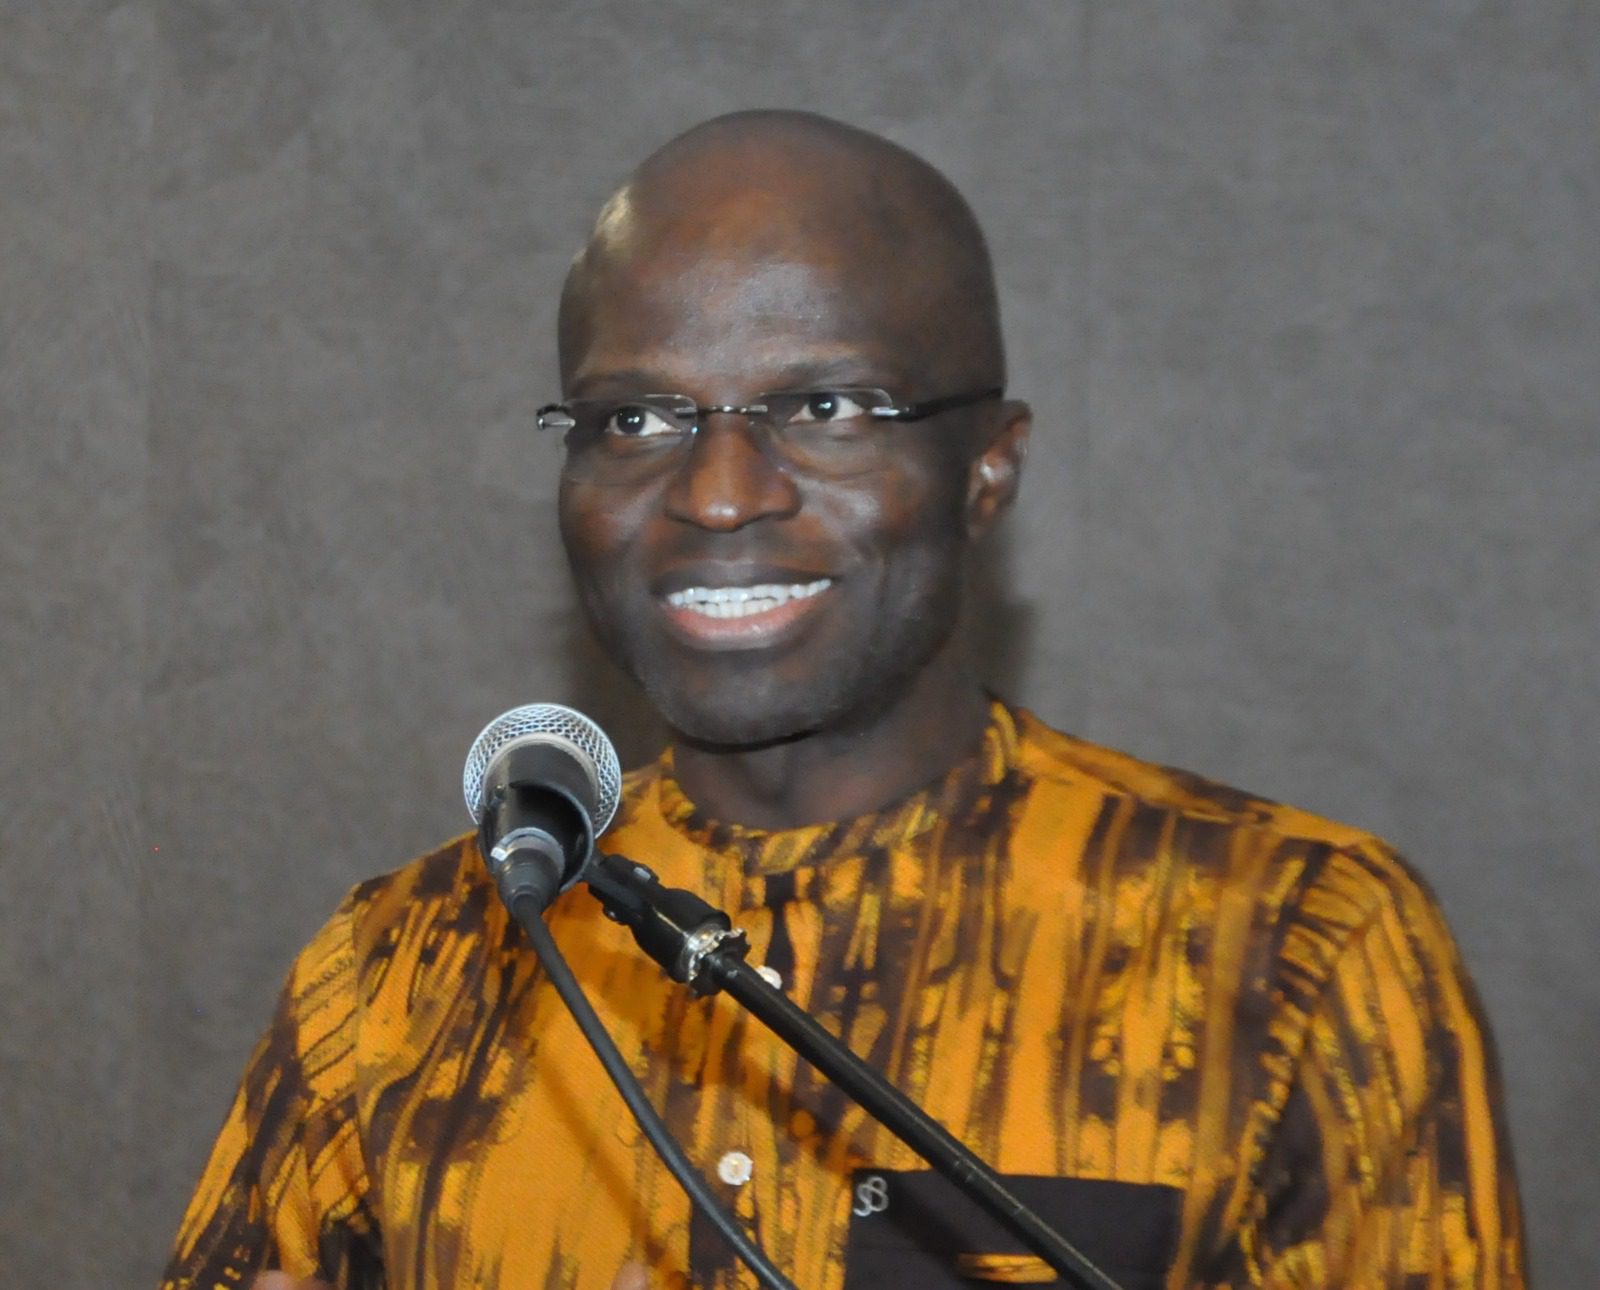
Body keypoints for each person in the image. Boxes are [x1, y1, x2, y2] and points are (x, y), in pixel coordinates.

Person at [161, 111, 1525, 1290]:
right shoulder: (403, 971)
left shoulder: (1290, 950)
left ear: (987, 470)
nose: (718, 494)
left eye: (827, 409)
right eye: (636, 420)